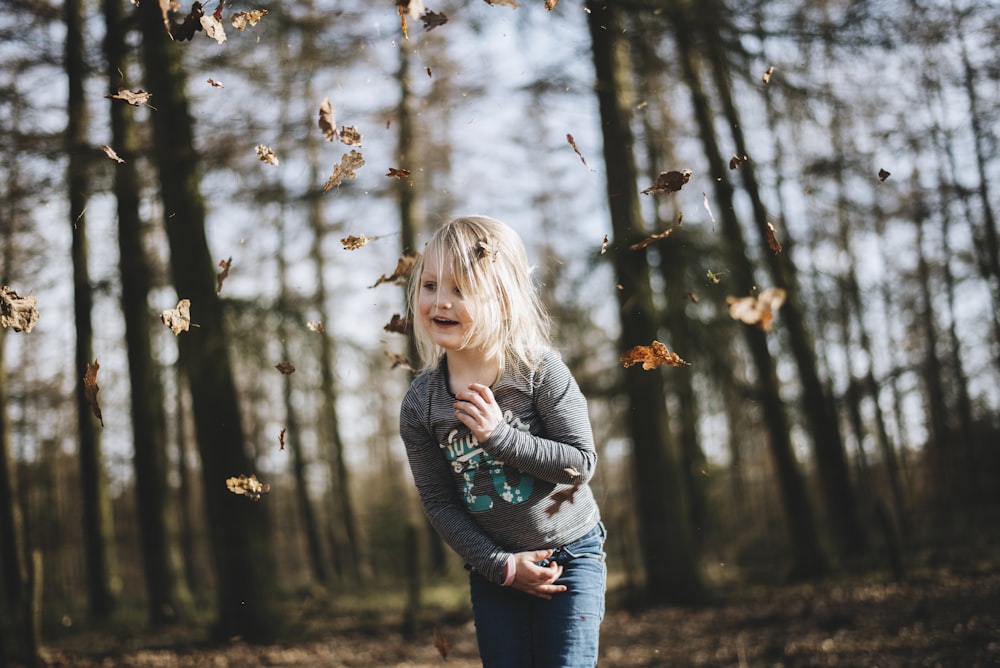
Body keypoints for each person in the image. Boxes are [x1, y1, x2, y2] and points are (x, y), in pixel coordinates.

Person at [399, 215, 606, 667]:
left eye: (460, 289)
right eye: (430, 285)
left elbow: (580, 463)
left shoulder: (540, 373)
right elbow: (438, 501)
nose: (441, 302)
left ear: (504, 300)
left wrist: (499, 437)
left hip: (569, 554)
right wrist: (502, 566)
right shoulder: (421, 405)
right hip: (497, 570)